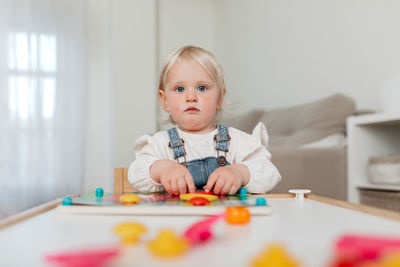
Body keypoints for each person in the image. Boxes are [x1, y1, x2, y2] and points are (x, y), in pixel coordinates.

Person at [128, 45, 281, 195]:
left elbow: (269, 173)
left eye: (202, 88)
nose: (191, 97)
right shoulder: (159, 144)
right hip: (178, 218)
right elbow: (135, 174)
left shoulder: (237, 141)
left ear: (219, 98)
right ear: (164, 100)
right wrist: (161, 169)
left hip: (226, 218)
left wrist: (240, 173)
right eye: (180, 89)